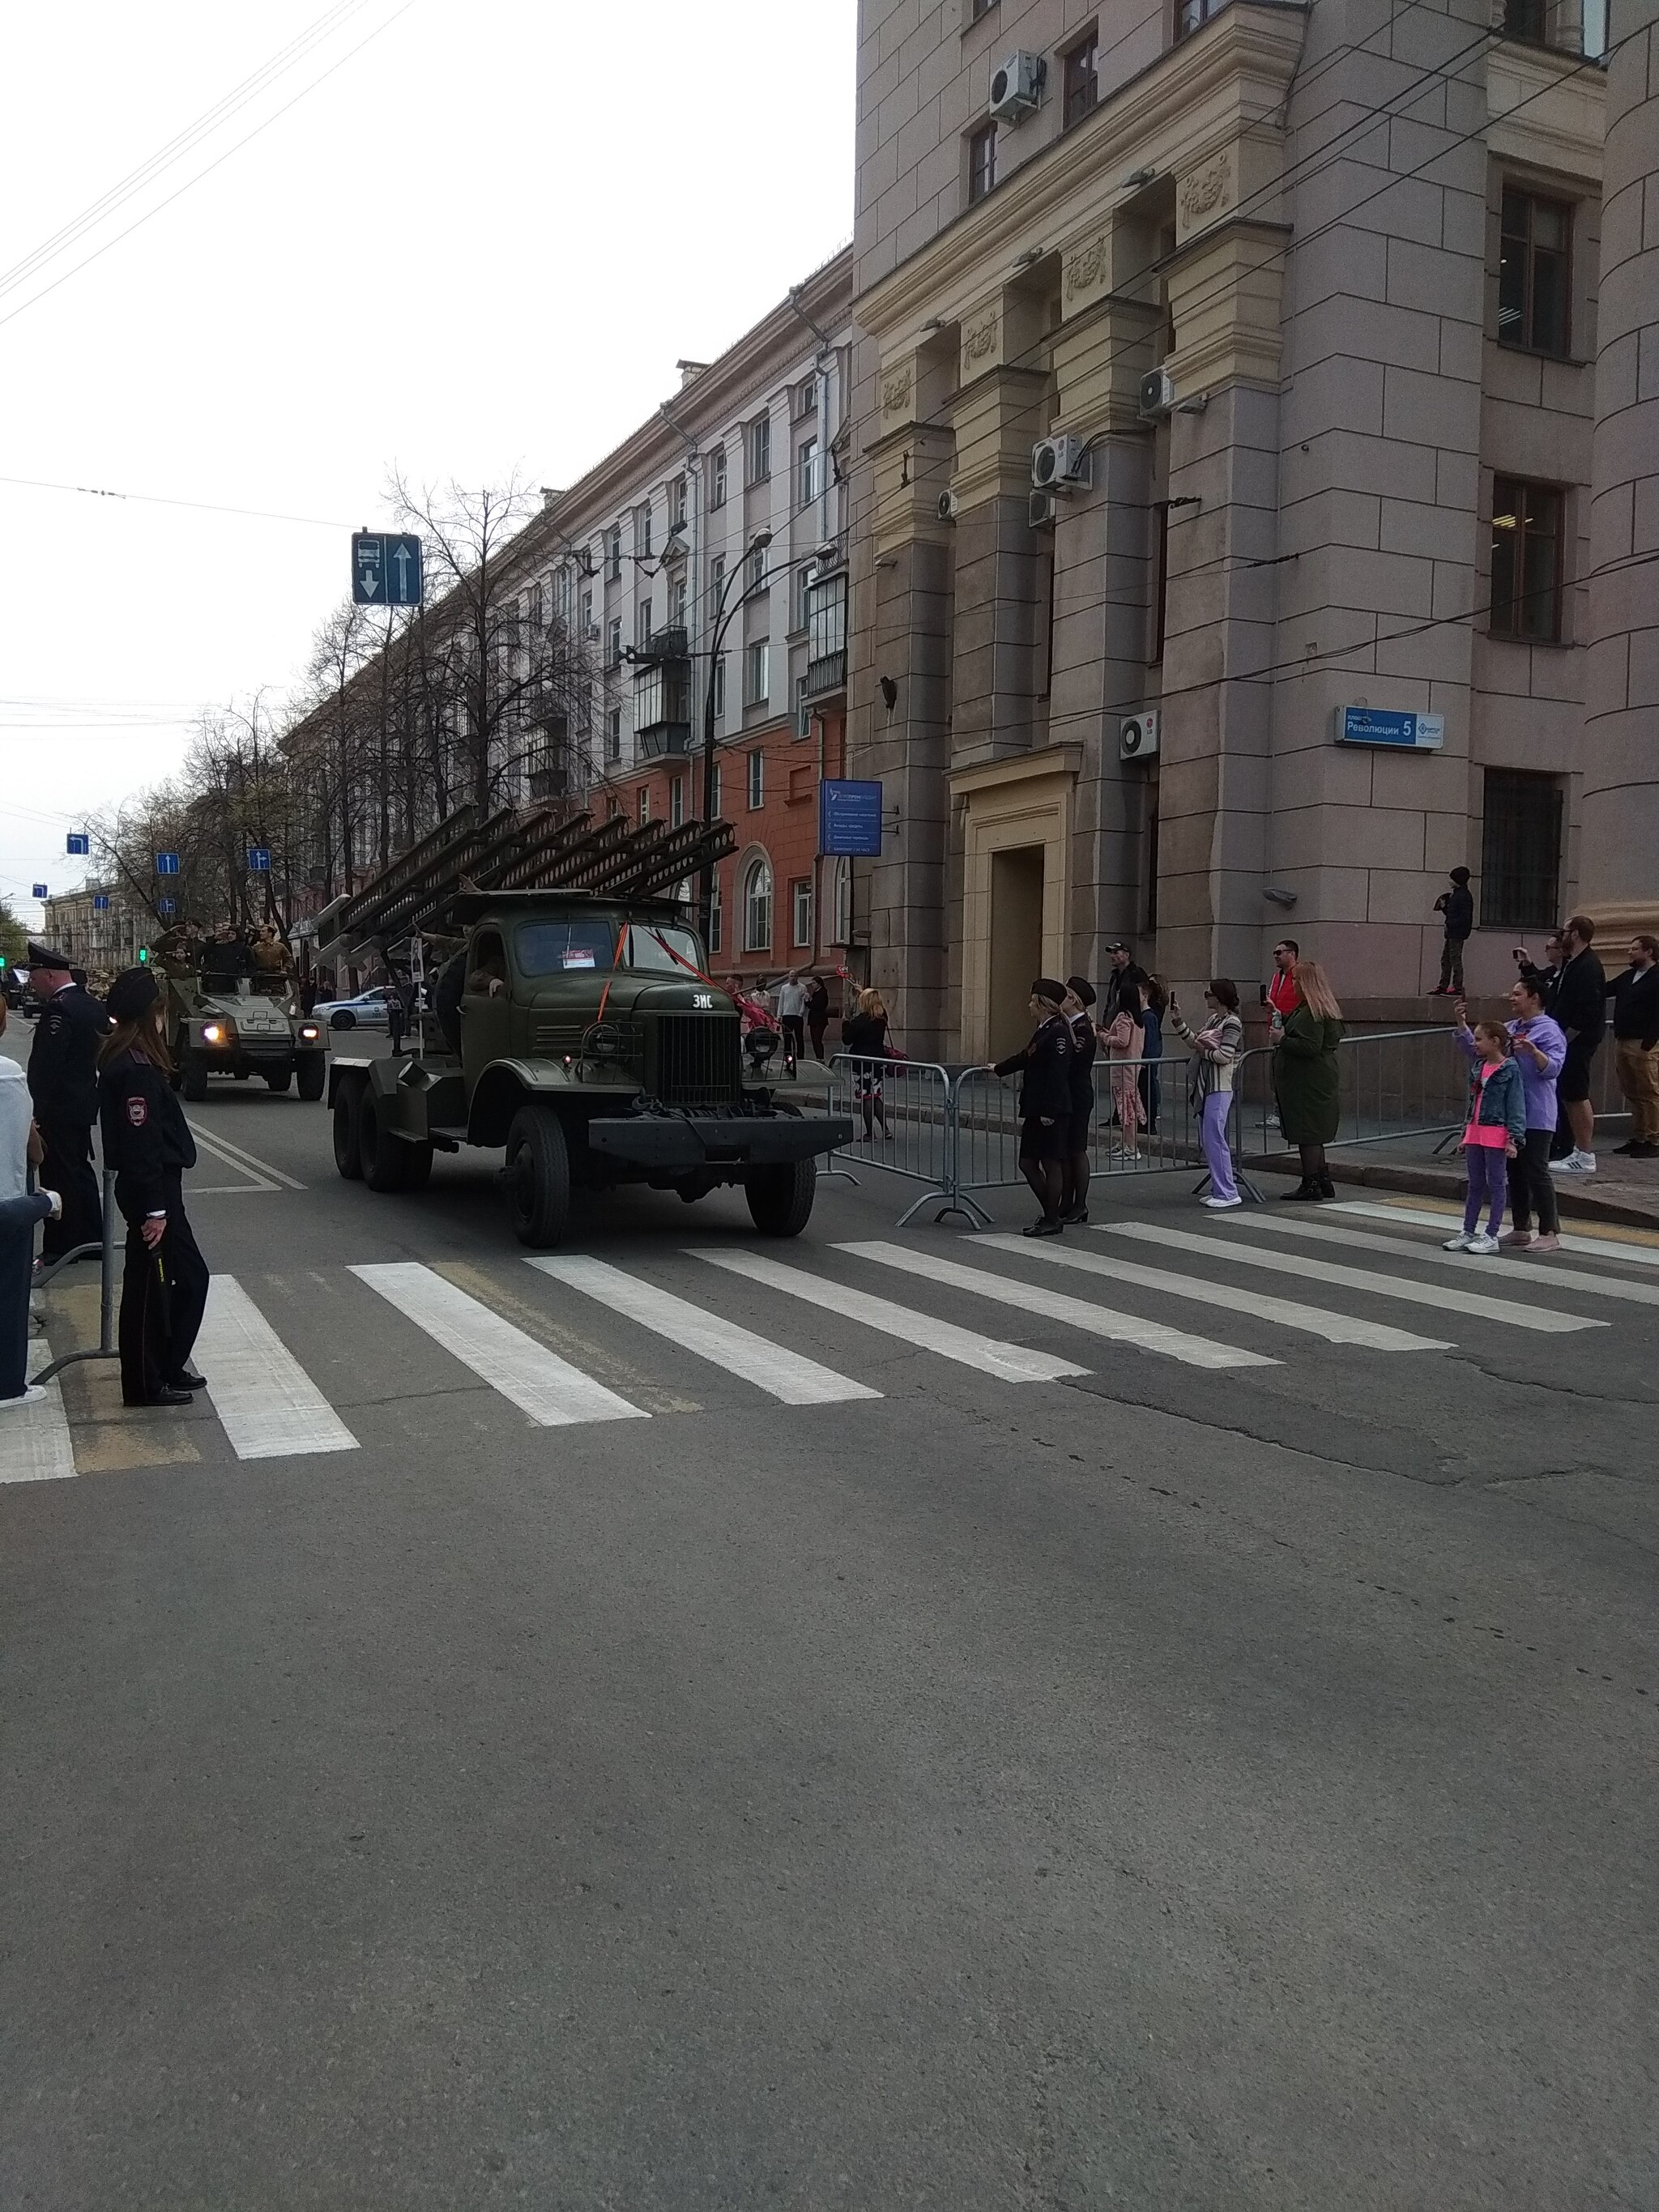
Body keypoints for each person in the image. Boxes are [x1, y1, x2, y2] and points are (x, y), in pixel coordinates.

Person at [97, 967, 207, 1409]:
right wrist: (154, 1210)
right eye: (160, 1012)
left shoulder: (128, 1059)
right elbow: (141, 1143)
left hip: (156, 1188)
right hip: (152, 1189)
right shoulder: (136, 1068)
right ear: (149, 1016)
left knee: (177, 1280)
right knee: (151, 1288)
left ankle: (165, 1363)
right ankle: (145, 1383)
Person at [1458, 978, 1565, 1252]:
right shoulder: (1510, 1028)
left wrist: (1534, 1052)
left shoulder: (1549, 1030)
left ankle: (1549, 1230)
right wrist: (1463, 1027)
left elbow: (1553, 1069)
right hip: (1505, 1115)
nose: (1512, 997)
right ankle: (1520, 1227)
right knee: (1514, 1172)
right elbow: (1482, 1051)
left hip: (1536, 1112)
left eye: (1518, 994)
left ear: (1535, 998)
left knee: (1536, 1170)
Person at [23, 939, 105, 1264]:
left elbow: (48, 1067)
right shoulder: (90, 1005)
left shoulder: (60, 1009)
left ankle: (61, 1247)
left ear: (51, 976)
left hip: (58, 1109)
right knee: (79, 1173)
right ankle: (91, 1239)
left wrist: (36, 1111)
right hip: (82, 1104)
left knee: (57, 1178)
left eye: (35, 977)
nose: (32, 984)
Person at [0, 999, 60, 1407]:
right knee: (8, 1295)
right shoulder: (7, 1076)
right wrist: (47, 1202)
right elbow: (28, 1152)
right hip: (9, 1203)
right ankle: (8, 1387)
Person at [983, 979, 1074, 1237]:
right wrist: (998, 1069)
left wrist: (1049, 1110)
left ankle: (1052, 1218)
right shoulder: (1045, 1029)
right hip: (1036, 1106)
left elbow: (1058, 1074)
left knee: (1048, 1163)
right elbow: (1027, 1056)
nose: (1029, 1005)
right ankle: (1050, 1214)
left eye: (1033, 1001)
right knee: (1028, 1162)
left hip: (1049, 1109)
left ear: (1044, 1005)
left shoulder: (1058, 1032)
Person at [1444, 1021, 1525, 1253]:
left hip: (1496, 1134)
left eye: (1479, 1039)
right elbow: (1473, 1104)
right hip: (1476, 1132)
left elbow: (1516, 1104)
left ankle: (1491, 1235)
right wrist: (1465, 1134)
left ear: (1495, 1042)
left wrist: (1513, 1138)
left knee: (1497, 1184)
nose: (1474, 1043)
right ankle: (1468, 1231)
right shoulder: (1479, 1067)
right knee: (1475, 1184)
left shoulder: (1510, 1069)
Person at [1167, 978, 1243, 1209]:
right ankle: (1220, 1188)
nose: (1206, 997)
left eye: (1208, 994)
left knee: (1215, 1138)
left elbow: (1224, 1056)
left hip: (1219, 1085)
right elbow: (1195, 1042)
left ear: (1219, 997)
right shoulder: (1214, 1020)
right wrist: (1178, 1021)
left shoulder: (1232, 1022)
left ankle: (1227, 1191)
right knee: (1209, 1138)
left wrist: (1203, 1050)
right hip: (1208, 1083)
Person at [1273, 958, 1344, 1200]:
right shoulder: (1314, 1008)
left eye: (1296, 980)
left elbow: (1310, 1046)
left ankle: (1311, 1183)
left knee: (1308, 1132)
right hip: (1314, 1077)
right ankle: (1322, 1179)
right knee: (1314, 1131)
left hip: (1309, 1080)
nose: (1293, 984)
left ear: (1306, 983)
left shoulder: (1313, 1012)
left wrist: (1282, 1040)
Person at [1549, 914, 1606, 1175]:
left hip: (1578, 1043)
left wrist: (1563, 1039)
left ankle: (1584, 1154)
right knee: (1571, 1095)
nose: (1562, 935)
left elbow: (1587, 1011)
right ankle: (1577, 1152)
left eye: (1565, 930)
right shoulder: (1576, 964)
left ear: (1576, 934)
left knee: (1576, 1095)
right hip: (1570, 1040)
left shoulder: (1588, 967)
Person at [1604, 934, 1659, 1158]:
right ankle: (1639, 1136)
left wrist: (1650, 1041)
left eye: (1635, 949)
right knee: (1632, 1091)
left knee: (1649, 1091)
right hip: (1624, 1039)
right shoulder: (1628, 976)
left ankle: (1654, 1139)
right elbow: (1605, 989)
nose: (1629, 952)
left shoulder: (1656, 977)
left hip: (1645, 1043)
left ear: (1648, 952)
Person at [1060, 975, 1097, 1225]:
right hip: (1067, 1094)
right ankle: (1067, 1202)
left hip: (1078, 1094)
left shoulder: (1082, 1028)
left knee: (1077, 1149)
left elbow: (1072, 1060)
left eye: (1064, 994)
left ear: (1073, 999)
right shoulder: (1070, 1024)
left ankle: (1080, 1205)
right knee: (1065, 1151)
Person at [1097, 985, 1145, 1159]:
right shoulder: (1137, 1018)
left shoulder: (1124, 1017)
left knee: (1126, 1110)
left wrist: (1104, 1037)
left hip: (1123, 1070)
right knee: (1127, 1108)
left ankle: (1131, 1146)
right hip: (1131, 1068)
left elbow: (1122, 1041)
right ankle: (1127, 1142)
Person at [842, 987, 892, 1141]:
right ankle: (886, 1129)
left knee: (866, 1097)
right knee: (875, 1095)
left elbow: (847, 1039)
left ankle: (870, 1133)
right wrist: (862, 990)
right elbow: (875, 1004)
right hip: (878, 1061)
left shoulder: (860, 1020)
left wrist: (845, 1024)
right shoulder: (882, 1017)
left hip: (862, 1062)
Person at [1431, 868, 1474, 995]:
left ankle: (1457, 986)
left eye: (1452, 878)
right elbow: (1452, 914)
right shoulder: (1457, 894)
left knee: (1455, 959)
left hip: (1457, 932)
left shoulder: (1463, 896)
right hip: (1452, 932)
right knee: (1446, 959)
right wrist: (1445, 908)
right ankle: (1443, 985)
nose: (1449, 881)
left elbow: (1463, 917)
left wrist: (1450, 923)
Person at [1139, 974, 1168, 1134]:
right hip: (1154, 1040)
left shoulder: (1156, 1003)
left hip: (1153, 1041)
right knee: (1149, 1079)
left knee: (1150, 1078)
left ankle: (1151, 1113)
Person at [1513, 933, 1565, 1012]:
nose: (1546, 950)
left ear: (1560, 951)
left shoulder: (1568, 973)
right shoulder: (1552, 970)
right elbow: (1537, 978)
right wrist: (1527, 962)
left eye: (1548, 947)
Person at [1100, 942, 1149, 1024]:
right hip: (1114, 1023)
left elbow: (1145, 997)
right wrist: (1105, 1022)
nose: (1112, 956)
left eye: (1116, 953)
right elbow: (1110, 1002)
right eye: (1111, 953)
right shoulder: (1114, 976)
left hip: (1130, 1022)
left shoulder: (1137, 973)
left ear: (1127, 955)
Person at [774, 967, 809, 1077]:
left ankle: (801, 1058)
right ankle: (788, 1060)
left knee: (799, 1038)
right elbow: (781, 1002)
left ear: (797, 977)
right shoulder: (784, 988)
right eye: (791, 976)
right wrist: (779, 1015)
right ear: (788, 977)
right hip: (786, 1015)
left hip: (797, 1016)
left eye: (794, 976)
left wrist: (801, 1013)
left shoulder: (802, 987)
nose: (793, 978)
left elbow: (804, 1002)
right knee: (787, 1040)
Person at [1266, 938, 1301, 1034]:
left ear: (1292, 954)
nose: (1275, 956)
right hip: (1275, 1028)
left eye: (1278, 953)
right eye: (1274, 953)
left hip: (1294, 1029)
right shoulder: (1276, 977)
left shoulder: (1301, 976)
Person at [805, 972, 831, 1063]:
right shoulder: (815, 993)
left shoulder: (822, 992)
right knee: (814, 1039)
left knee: (817, 1039)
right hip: (813, 1019)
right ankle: (818, 1057)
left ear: (819, 983)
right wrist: (807, 1001)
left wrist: (810, 1001)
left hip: (820, 1019)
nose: (812, 985)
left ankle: (821, 1057)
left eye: (814, 983)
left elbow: (818, 1005)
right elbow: (810, 1005)